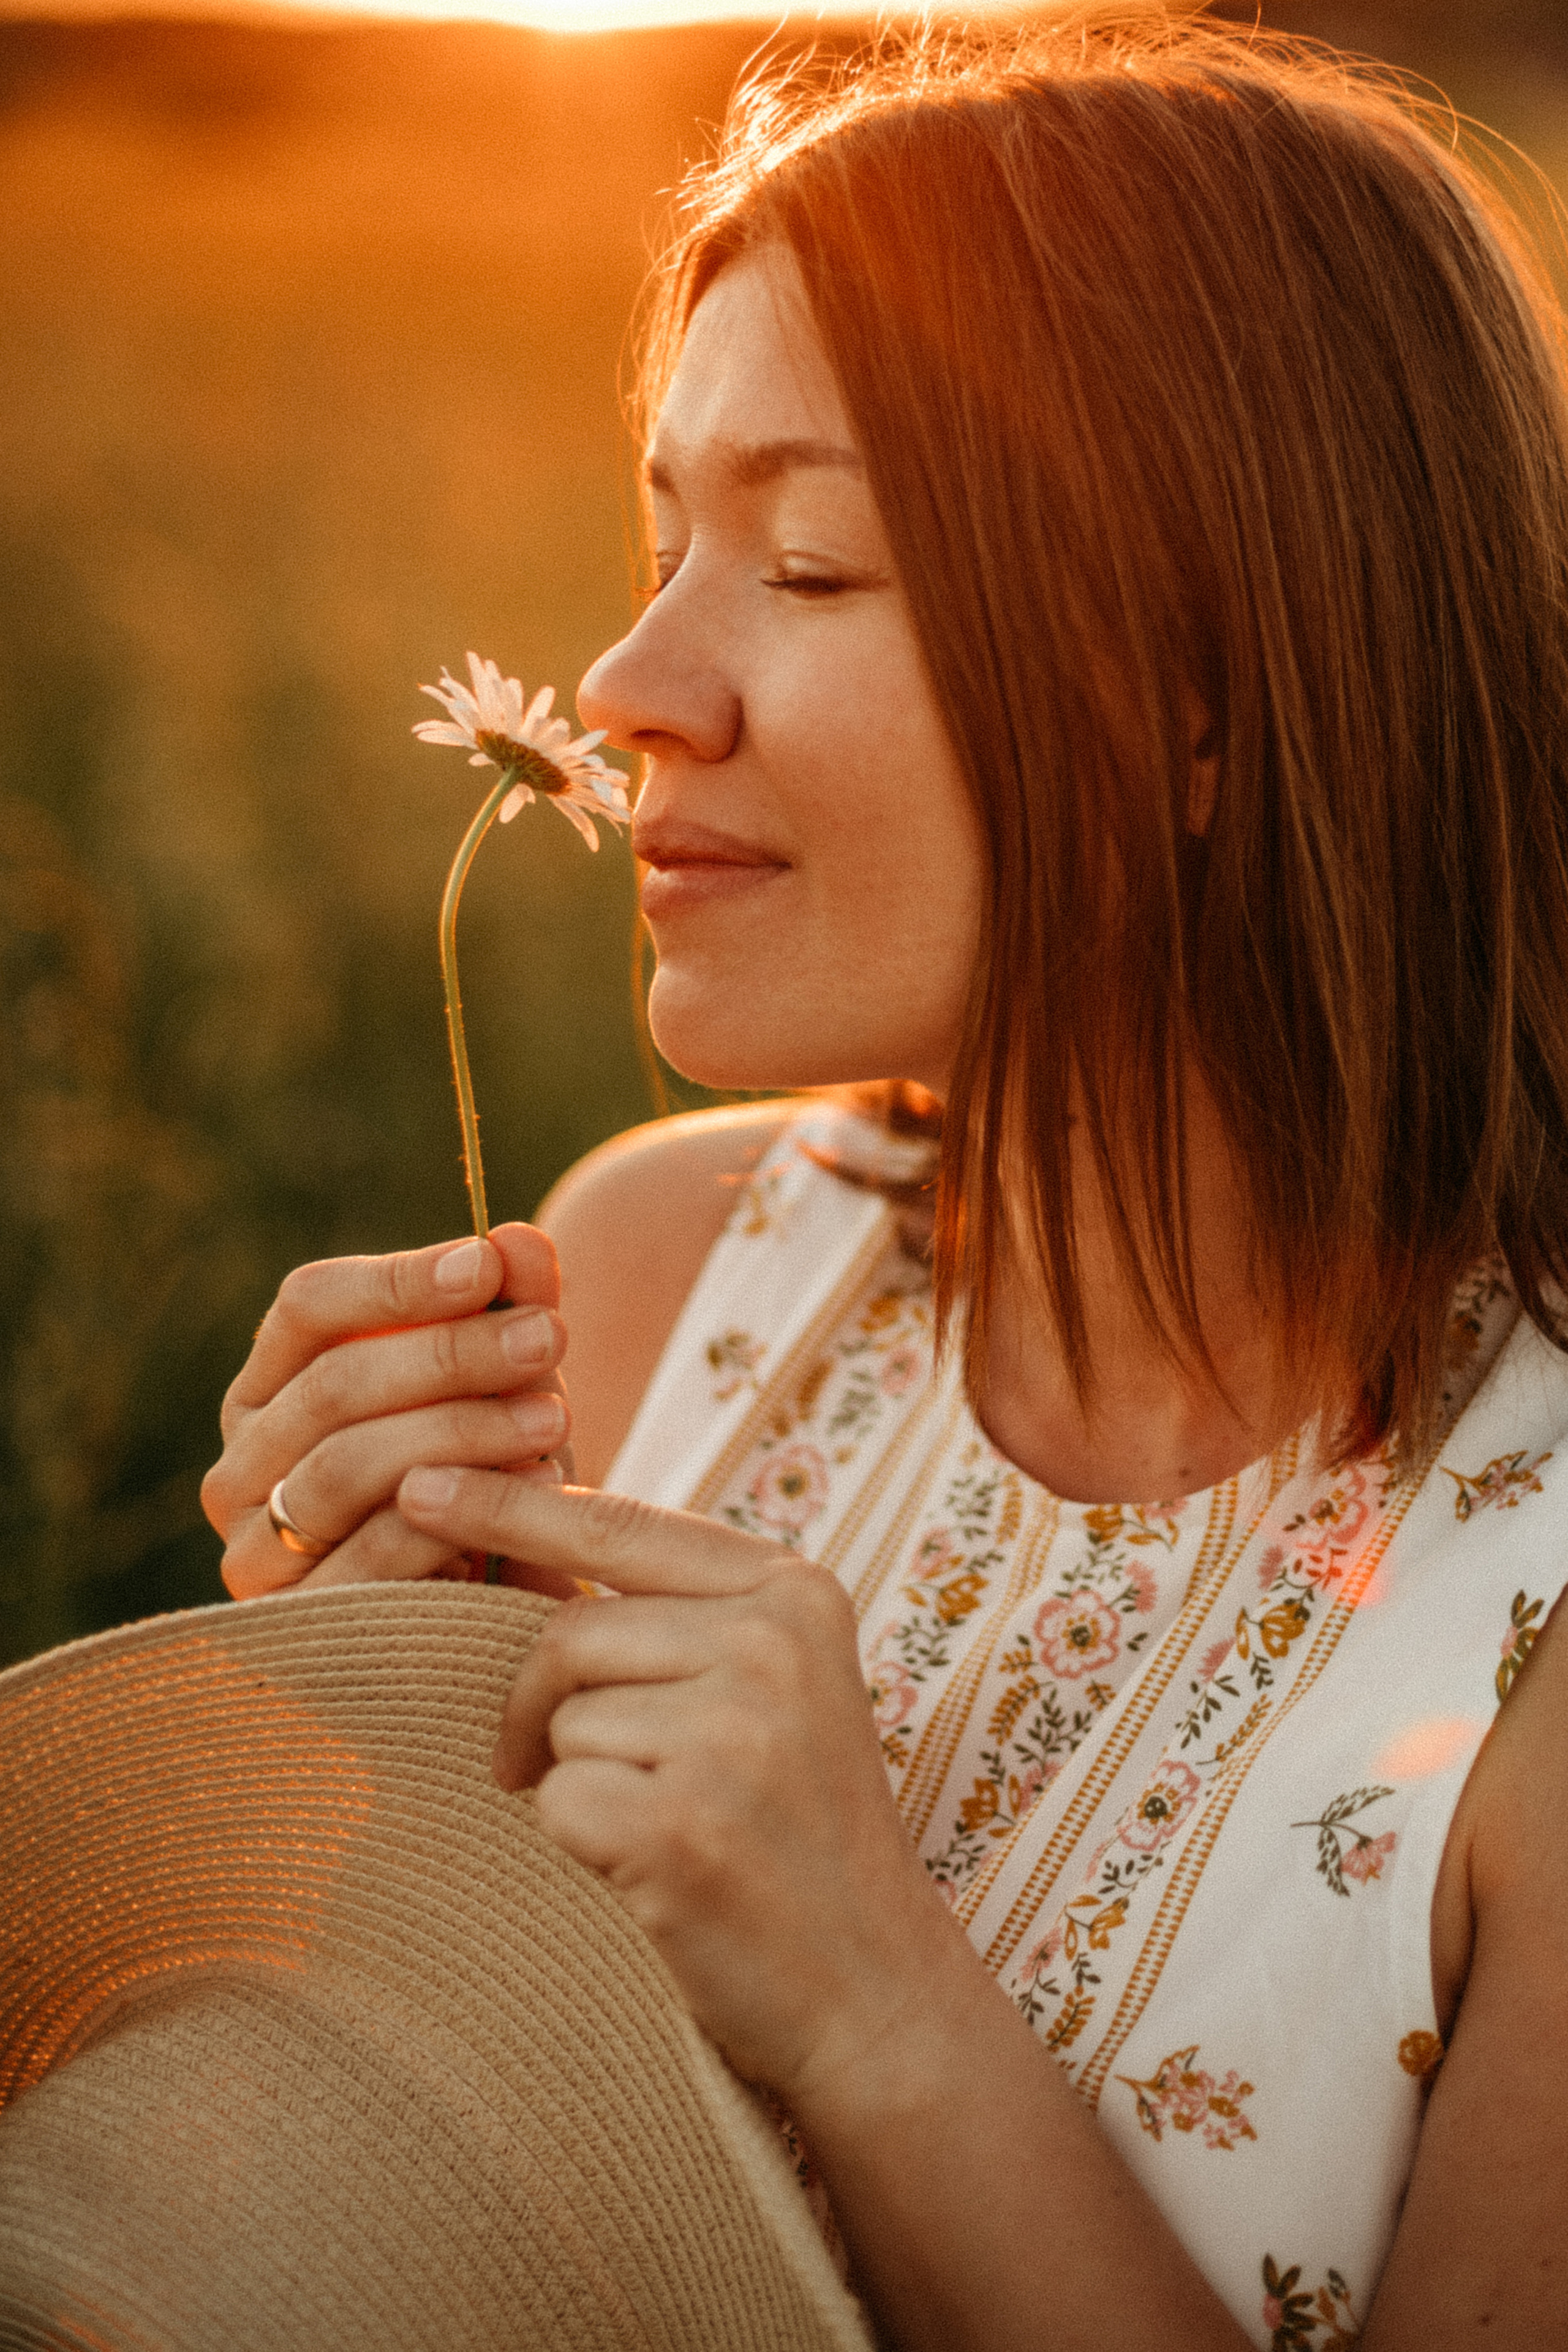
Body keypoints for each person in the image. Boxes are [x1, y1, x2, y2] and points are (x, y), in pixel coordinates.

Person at [200, 18, 1568, 2349]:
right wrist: (368, 1740)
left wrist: (875, 2001)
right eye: (664, 545)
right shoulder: (649, 1277)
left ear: (1208, 690)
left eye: (811, 564)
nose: (629, 682)